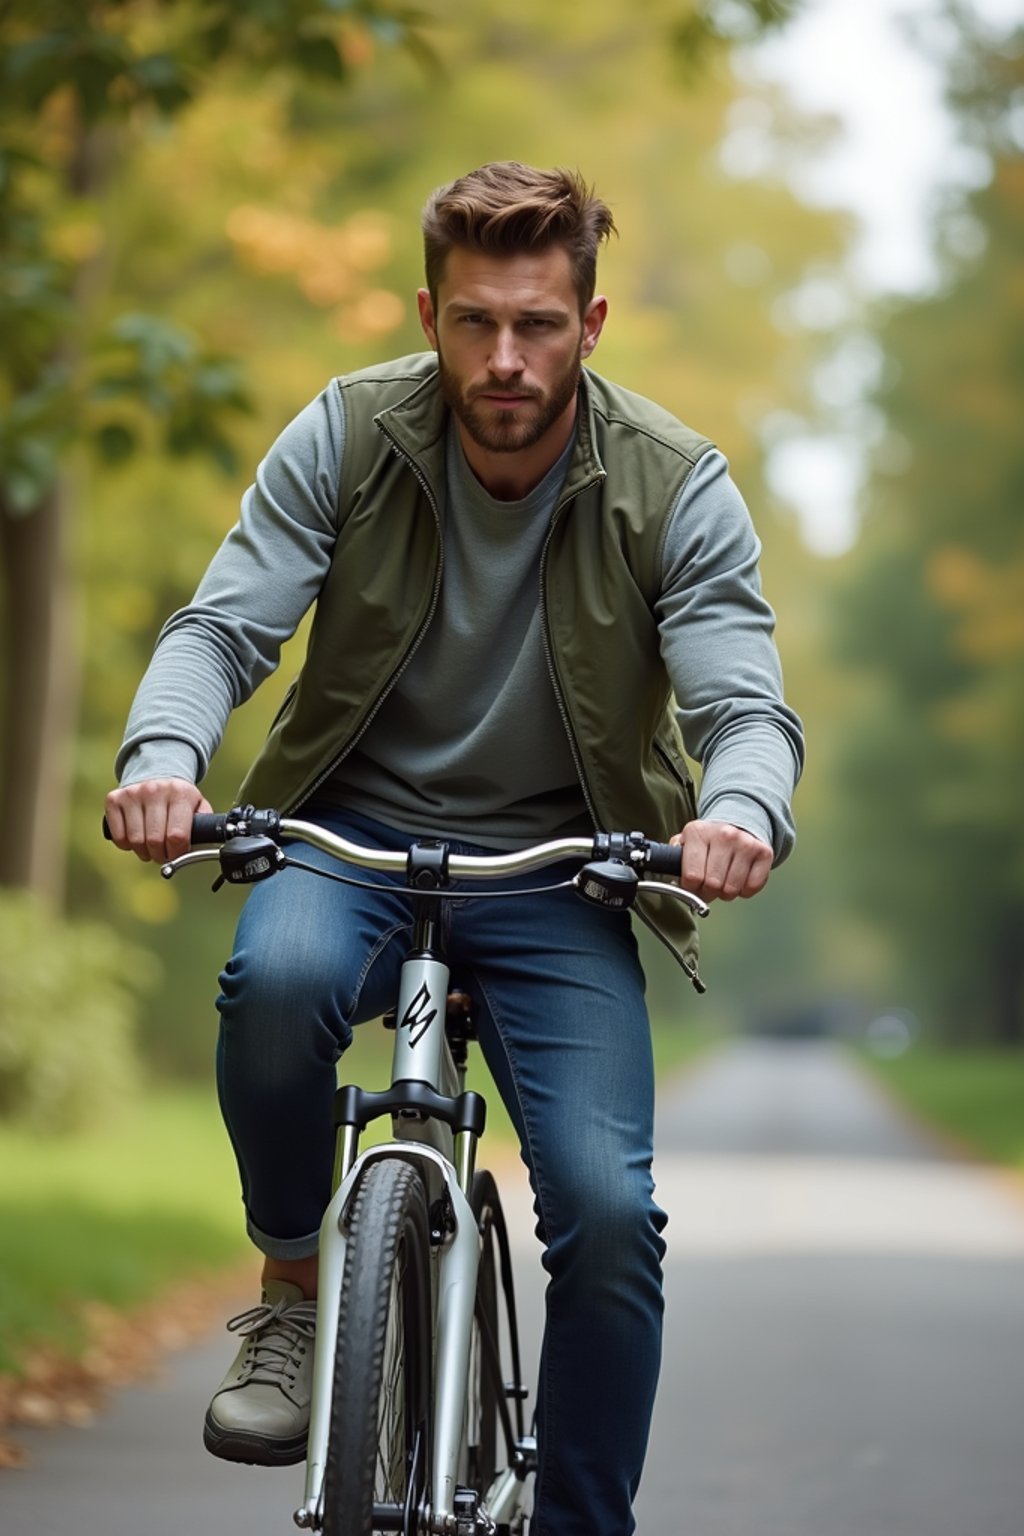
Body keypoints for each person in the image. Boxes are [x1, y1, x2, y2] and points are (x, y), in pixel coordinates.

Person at [106, 161, 804, 1536]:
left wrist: (736, 813)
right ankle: (297, 1298)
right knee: (278, 985)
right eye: (475, 321)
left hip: (563, 870)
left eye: (538, 325)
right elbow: (222, 629)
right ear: (429, 312)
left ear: (590, 326)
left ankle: (583, 1523)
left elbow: (744, 703)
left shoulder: (672, 485)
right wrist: (163, 760)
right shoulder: (351, 434)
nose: (504, 358)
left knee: (607, 1222)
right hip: (349, 836)